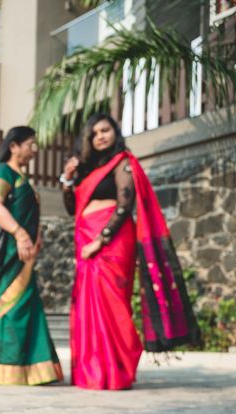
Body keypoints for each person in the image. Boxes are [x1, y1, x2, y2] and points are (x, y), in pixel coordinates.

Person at [61, 113, 200, 389]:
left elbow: (125, 206)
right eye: (94, 133)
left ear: (115, 132)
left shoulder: (123, 162)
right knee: (88, 306)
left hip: (110, 241)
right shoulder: (86, 169)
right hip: (85, 237)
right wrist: (67, 180)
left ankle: (118, 370)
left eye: (105, 130)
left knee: (113, 304)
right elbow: (70, 208)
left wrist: (100, 241)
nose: (100, 136)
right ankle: (92, 372)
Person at [0, 126, 63, 385]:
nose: (34, 149)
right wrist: (20, 234)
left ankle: (33, 369)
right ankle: (7, 366)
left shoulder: (21, 177)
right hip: (7, 254)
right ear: (13, 146)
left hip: (23, 256)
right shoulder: (2, 172)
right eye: (30, 143)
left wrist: (32, 237)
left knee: (25, 307)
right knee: (8, 309)